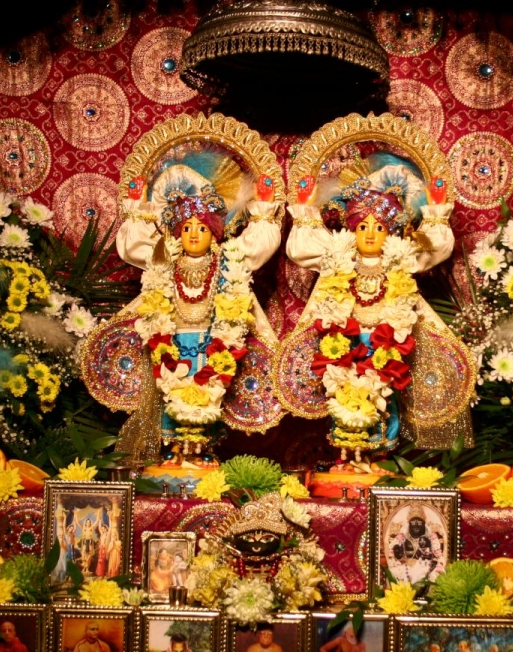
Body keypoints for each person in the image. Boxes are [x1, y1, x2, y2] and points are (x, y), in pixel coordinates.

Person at [280, 157, 473, 467]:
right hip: (346, 343)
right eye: (362, 226)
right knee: (343, 393)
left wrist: (436, 212)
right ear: (351, 230)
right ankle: (346, 457)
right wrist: (306, 210)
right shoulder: (339, 257)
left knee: (384, 398)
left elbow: (434, 247)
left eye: (379, 227)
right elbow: (302, 248)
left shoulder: (400, 259)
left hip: (385, 344)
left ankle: (378, 459)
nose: (370, 234)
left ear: (391, 232)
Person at [112, 151, 282, 466]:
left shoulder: (228, 259)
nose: (193, 234)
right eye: (187, 227)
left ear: (214, 233)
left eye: (202, 228)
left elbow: (258, 245)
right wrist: (138, 209)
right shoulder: (165, 257)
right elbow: (134, 247)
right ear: (177, 231)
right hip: (173, 343)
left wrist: (262, 208)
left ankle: (203, 451)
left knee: (208, 392)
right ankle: (174, 451)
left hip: (211, 343)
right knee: (172, 392)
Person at [386, 508, 445, 584]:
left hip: (425, 567)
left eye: (419, 524)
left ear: (424, 524)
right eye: (413, 524)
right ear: (409, 524)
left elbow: (438, 555)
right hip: (406, 567)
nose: (416, 527)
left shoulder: (431, 536)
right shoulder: (402, 536)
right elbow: (393, 553)